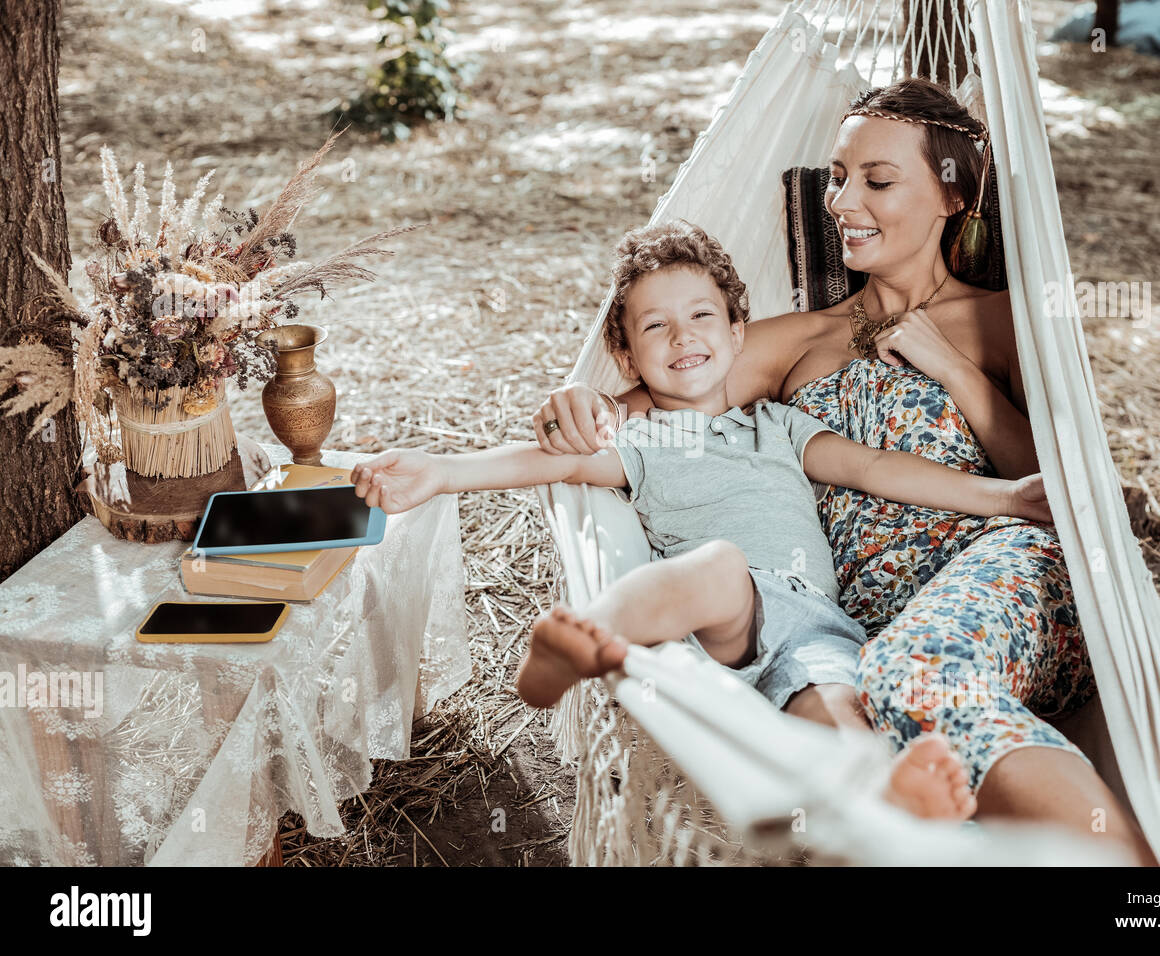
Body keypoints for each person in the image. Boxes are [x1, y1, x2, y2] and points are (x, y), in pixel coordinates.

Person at [530, 78, 1157, 864]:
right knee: (881, 765)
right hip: (861, 634)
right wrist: (576, 401)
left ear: (954, 196)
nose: (841, 201)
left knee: (920, 671)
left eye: (878, 180)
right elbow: (663, 390)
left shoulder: (1006, 322)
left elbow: (1061, 492)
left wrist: (953, 368)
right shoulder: (799, 339)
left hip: (1007, 570)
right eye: (837, 176)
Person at [352, 222, 1055, 822]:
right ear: (626, 357)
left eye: (701, 317)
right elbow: (554, 463)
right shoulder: (645, 441)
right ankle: (590, 637)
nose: (682, 336)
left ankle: (878, 804)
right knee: (720, 566)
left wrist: (1001, 496)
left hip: (812, 622)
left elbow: (873, 467)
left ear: (737, 332)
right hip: (714, 615)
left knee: (840, 705)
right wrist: (445, 471)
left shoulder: (779, 424)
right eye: (655, 326)